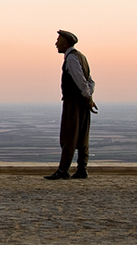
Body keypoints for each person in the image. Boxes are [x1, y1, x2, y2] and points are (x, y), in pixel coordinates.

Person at [45, 29, 98, 180]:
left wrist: (87, 96)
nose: (56, 43)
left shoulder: (72, 59)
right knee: (82, 136)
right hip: (82, 100)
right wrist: (88, 97)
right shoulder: (81, 57)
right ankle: (82, 169)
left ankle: (63, 170)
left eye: (58, 40)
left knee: (69, 135)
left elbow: (81, 80)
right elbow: (90, 81)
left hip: (74, 101)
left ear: (65, 42)